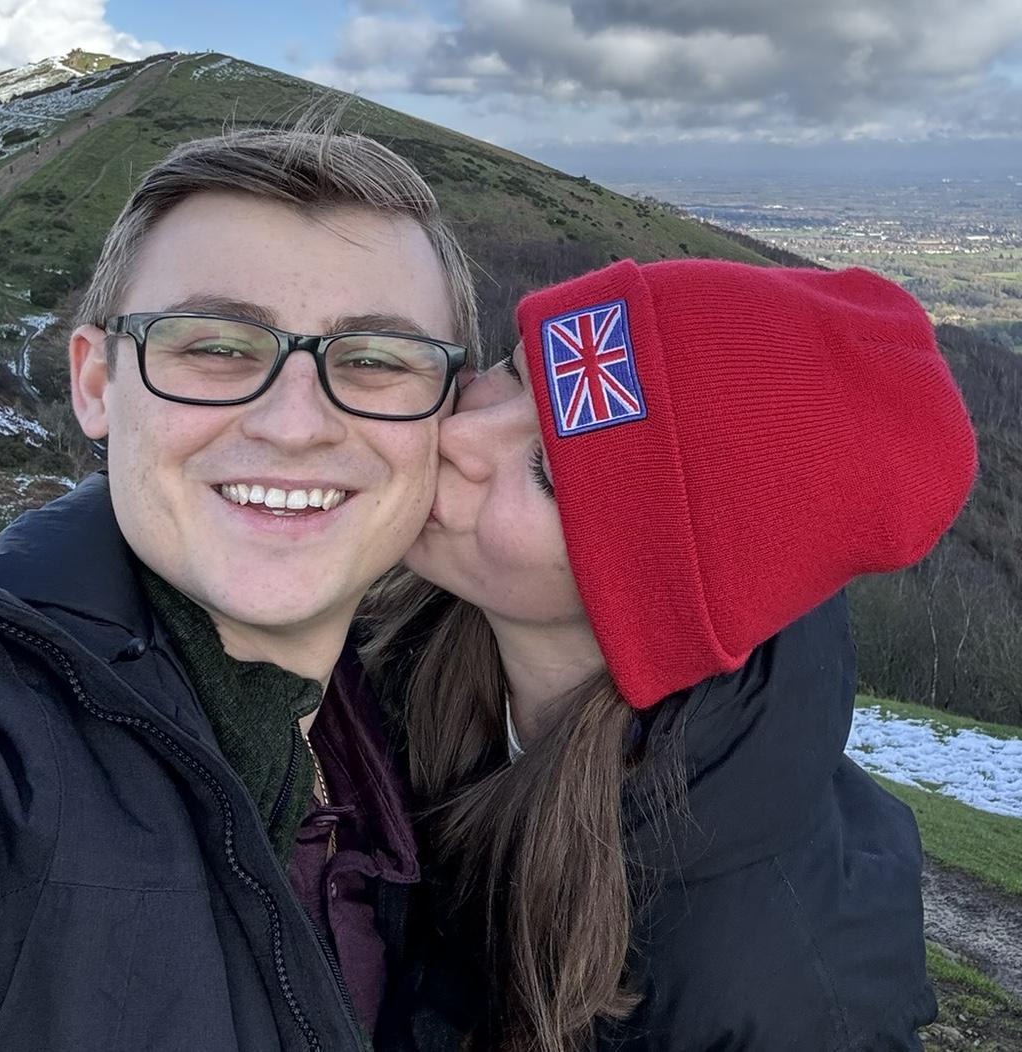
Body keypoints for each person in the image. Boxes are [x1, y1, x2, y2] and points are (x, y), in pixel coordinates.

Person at [370, 256, 977, 1052]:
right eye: (515, 372)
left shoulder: (770, 1003)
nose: (455, 434)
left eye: (547, 473)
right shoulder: (380, 631)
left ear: (644, 591)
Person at [0, 124, 480, 1051]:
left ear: (445, 417)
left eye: (376, 360)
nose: (294, 424)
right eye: (216, 347)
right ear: (96, 384)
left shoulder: (437, 737)